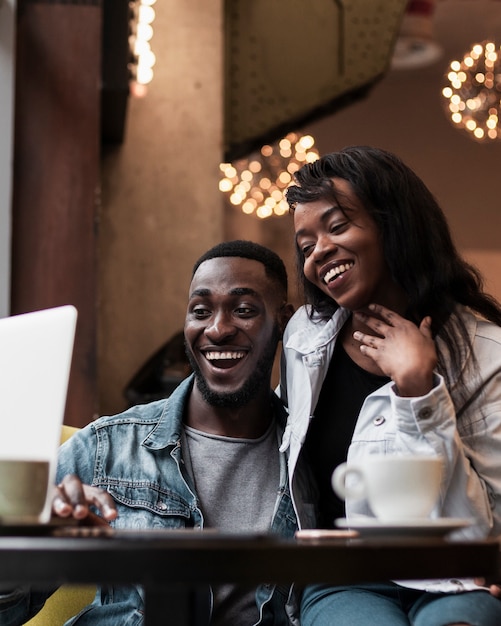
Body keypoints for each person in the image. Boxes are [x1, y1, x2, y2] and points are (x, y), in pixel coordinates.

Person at [0, 240, 316, 626]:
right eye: (200, 310)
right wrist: (38, 538)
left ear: (283, 320)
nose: (217, 329)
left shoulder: (308, 455)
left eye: (244, 310)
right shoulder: (106, 447)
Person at [278, 146, 501, 626]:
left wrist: (419, 388)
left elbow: (489, 521)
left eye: (337, 226)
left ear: (394, 224)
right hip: (345, 576)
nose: (319, 252)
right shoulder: (303, 340)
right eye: (306, 245)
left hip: (458, 574)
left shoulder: (489, 354)